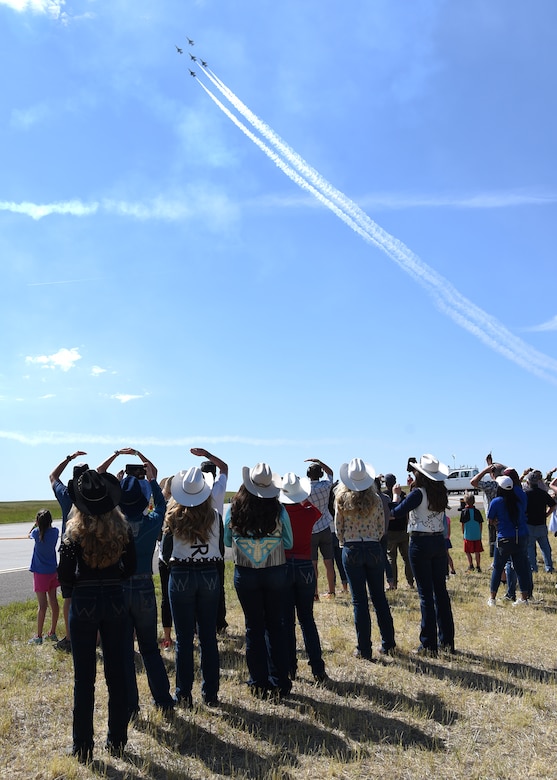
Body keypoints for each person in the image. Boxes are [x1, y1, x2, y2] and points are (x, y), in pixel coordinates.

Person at [57, 470, 136, 763]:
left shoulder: (74, 533)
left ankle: (83, 745)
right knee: (116, 675)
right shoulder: (121, 529)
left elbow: (63, 574)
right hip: (114, 598)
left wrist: (79, 581)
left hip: (85, 600)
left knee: (84, 678)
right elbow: (131, 567)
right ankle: (116, 740)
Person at [224, 463, 293, 698]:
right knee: (276, 625)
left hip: (246, 572)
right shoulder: (279, 511)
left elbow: (226, 540)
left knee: (253, 627)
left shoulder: (233, 511)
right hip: (274, 571)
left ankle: (258, 682)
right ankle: (280, 680)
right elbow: (289, 543)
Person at [116, 466, 175, 718]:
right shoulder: (151, 522)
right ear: (143, 501)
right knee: (150, 648)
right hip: (144, 586)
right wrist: (152, 480)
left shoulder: (113, 525)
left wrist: (115, 483)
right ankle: (162, 699)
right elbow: (161, 505)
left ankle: (130, 705)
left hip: (119, 587)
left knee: (125, 651)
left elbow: (106, 507)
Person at [163, 467, 222, 707]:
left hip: (181, 573)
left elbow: (166, 552)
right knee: (208, 637)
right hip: (209, 572)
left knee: (184, 638)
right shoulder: (215, 515)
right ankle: (210, 694)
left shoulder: (173, 516)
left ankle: (184, 694)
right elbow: (219, 546)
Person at [391, 454, 455, 655]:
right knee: (441, 593)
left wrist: (395, 496)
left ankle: (428, 643)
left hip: (420, 542)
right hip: (438, 541)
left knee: (426, 594)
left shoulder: (418, 493)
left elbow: (396, 512)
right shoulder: (440, 492)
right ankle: (447, 641)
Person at [335, 458, 396, 660]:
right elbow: (381, 527)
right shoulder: (377, 499)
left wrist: (346, 541)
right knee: (379, 597)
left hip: (351, 548)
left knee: (359, 601)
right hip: (372, 547)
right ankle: (388, 643)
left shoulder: (342, 499)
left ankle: (364, 648)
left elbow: (338, 528)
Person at [279, 472, 327, 683]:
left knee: (287, 621)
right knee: (307, 618)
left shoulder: (279, 515)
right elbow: (317, 511)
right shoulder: (309, 512)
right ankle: (317, 668)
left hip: (284, 565)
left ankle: (290, 667)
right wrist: (303, 496)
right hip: (305, 565)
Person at [49, 451, 89, 653]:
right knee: (90, 593)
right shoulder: (93, 494)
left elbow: (53, 477)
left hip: (68, 546)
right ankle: (95, 636)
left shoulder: (66, 494)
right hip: (90, 547)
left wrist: (68, 458)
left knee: (68, 596)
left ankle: (71, 638)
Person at [191, 447, 229, 633]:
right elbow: (225, 467)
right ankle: (219, 622)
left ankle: (199, 623)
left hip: (198, 534)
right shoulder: (219, 489)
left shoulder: (195, 492)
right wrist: (207, 454)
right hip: (217, 535)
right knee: (218, 581)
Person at [487, 475, 532, 606]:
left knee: (498, 567)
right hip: (521, 536)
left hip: (504, 538)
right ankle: (524, 598)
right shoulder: (520, 499)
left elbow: (490, 520)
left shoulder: (496, 502)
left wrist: (497, 524)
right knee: (520, 568)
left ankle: (492, 598)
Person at [305, 458, 336, 599]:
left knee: (313, 563)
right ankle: (331, 591)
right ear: (320, 474)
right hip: (325, 526)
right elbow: (331, 473)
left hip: (311, 529)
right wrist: (320, 461)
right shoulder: (325, 486)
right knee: (329, 561)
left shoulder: (305, 490)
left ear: (308, 474)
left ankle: (315, 592)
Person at [28, 509, 60, 644]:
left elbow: (29, 534)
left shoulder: (36, 533)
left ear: (37, 522)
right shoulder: (55, 532)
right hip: (53, 571)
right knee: (53, 600)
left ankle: (39, 636)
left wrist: (35, 525)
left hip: (40, 573)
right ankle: (52, 632)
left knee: (42, 605)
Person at [384, 473, 414, 589]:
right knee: (407, 557)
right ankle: (410, 582)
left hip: (390, 531)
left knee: (391, 558)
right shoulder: (403, 495)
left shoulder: (385, 496)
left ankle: (394, 584)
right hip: (403, 529)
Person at [524, 470, 555, 574]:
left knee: (530, 548)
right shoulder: (543, 493)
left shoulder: (526, 494)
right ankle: (549, 567)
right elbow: (553, 505)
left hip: (529, 524)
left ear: (528, 482)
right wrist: (547, 514)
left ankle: (533, 568)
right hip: (541, 523)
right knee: (545, 548)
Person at [460, 494, 484, 572]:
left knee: (467, 551)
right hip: (477, 534)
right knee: (477, 551)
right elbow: (480, 523)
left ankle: (471, 565)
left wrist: (463, 533)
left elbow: (462, 524)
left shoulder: (464, 511)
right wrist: (480, 532)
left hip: (468, 535)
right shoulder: (477, 511)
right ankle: (478, 566)